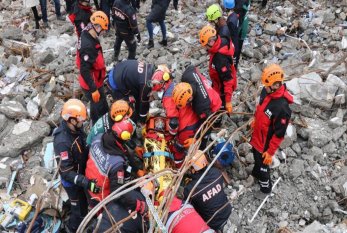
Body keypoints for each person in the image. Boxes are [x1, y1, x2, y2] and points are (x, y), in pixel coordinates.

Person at [53, 99, 101, 232]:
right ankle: (72, 228)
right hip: (72, 183)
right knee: (78, 211)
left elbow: (84, 144)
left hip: (80, 174)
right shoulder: (62, 142)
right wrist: (86, 182)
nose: (83, 122)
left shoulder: (75, 130)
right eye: (80, 120)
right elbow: (67, 172)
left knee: (83, 203)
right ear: (72, 120)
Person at [85, 117, 147, 212]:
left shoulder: (99, 137)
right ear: (125, 137)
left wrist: (137, 170)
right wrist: (138, 205)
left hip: (88, 186)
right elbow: (118, 194)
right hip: (102, 199)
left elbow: (123, 150)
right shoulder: (116, 164)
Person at [250, 64, 293, 193]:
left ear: (276, 85)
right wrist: (255, 121)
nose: (264, 87)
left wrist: (270, 152)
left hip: (265, 145)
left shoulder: (282, 108)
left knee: (264, 167)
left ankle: (265, 188)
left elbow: (279, 134)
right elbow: (260, 109)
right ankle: (256, 173)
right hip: (257, 137)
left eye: (267, 85)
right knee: (256, 158)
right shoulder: (266, 91)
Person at [107, 60, 171, 126]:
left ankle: (136, 117)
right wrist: (143, 120)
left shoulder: (151, 68)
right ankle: (127, 127)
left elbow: (140, 97)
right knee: (127, 110)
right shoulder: (146, 85)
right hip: (116, 82)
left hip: (120, 69)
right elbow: (144, 103)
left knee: (139, 96)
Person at [183, 150, 231, 231]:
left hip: (212, 223)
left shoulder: (190, 189)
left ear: (193, 169)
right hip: (227, 210)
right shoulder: (216, 173)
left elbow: (188, 206)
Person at [77, 11, 109, 125]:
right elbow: (84, 70)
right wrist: (93, 89)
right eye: (103, 29)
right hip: (91, 84)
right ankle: (97, 126)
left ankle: (104, 116)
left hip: (96, 81)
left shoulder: (87, 32)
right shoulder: (88, 46)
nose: (104, 32)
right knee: (97, 105)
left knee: (101, 103)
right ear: (97, 26)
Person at [199, 25, 237, 114]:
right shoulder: (221, 41)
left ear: (211, 42)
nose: (205, 48)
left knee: (220, 108)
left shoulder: (220, 58)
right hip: (218, 83)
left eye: (205, 46)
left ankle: (221, 118)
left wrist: (228, 101)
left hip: (222, 89)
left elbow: (228, 80)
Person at [223, 0, 240, 68]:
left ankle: (233, 70)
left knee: (233, 62)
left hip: (233, 44)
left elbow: (229, 34)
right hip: (236, 40)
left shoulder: (230, 21)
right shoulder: (235, 15)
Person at [234, 0, 250, 68]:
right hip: (243, 26)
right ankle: (235, 64)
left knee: (236, 49)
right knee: (238, 48)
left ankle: (235, 65)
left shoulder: (240, 4)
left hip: (240, 29)